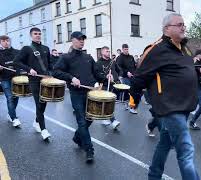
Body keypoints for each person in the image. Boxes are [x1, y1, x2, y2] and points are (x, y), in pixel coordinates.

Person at [129, 13, 200, 180]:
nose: (184, 27)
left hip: (185, 106)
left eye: (184, 24)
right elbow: (139, 78)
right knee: (186, 151)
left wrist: (200, 72)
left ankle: (153, 176)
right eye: (179, 24)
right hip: (170, 108)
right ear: (167, 28)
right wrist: (134, 101)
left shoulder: (184, 47)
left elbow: (186, 70)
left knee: (165, 143)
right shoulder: (155, 49)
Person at [53, 31, 105, 162]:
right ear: (72, 40)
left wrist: (109, 78)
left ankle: (77, 137)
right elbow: (55, 71)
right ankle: (89, 149)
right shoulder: (66, 57)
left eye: (83, 39)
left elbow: (97, 73)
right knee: (81, 121)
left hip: (90, 93)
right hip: (76, 94)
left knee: (90, 119)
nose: (82, 41)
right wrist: (71, 78)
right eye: (79, 39)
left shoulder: (88, 57)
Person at [14, 27, 52, 141]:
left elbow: (50, 64)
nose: (38, 35)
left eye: (39, 34)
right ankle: (44, 130)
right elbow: (16, 61)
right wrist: (29, 69)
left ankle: (36, 122)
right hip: (34, 80)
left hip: (45, 80)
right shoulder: (27, 49)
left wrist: (51, 73)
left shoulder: (46, 48)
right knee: (39, 103)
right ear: (31, 35)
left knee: (44, 103)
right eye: (35, 34)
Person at [95, 46, 121, 130]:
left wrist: (117, 76)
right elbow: (97, 74)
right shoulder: (98, 63)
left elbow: (118, 70)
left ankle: (104, 118)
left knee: (110, 103)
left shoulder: (112, 61)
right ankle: (113, 120)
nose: (108, 52)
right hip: (105, 85)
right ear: (102, 52)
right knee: (108, 103)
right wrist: (105, 76)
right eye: (107, 51)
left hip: (114, 85)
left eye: (109, 51)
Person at [0, 35, 21, 127]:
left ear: (10, 41)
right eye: (3, 41)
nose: (6, 42)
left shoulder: (17, 52)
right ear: (0, 42)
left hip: (16, 78)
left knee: (16, 97)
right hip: (5, 79)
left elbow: (22, 63)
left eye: (7, 40)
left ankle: (10, 114)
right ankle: (14, 118)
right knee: (10, 97)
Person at [116, 44, 137, 114]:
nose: (126, 50)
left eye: (127, 49)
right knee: (130, 91)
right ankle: (131, 106)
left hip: (133, 76)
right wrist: (126, 72)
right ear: (122, 49)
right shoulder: (120, 58)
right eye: (125, 49)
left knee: (131, 91)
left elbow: (134, 66)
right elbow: (119, 68)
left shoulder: (131, 57)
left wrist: (135, 73)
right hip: (125, 77)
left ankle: (128, 104)